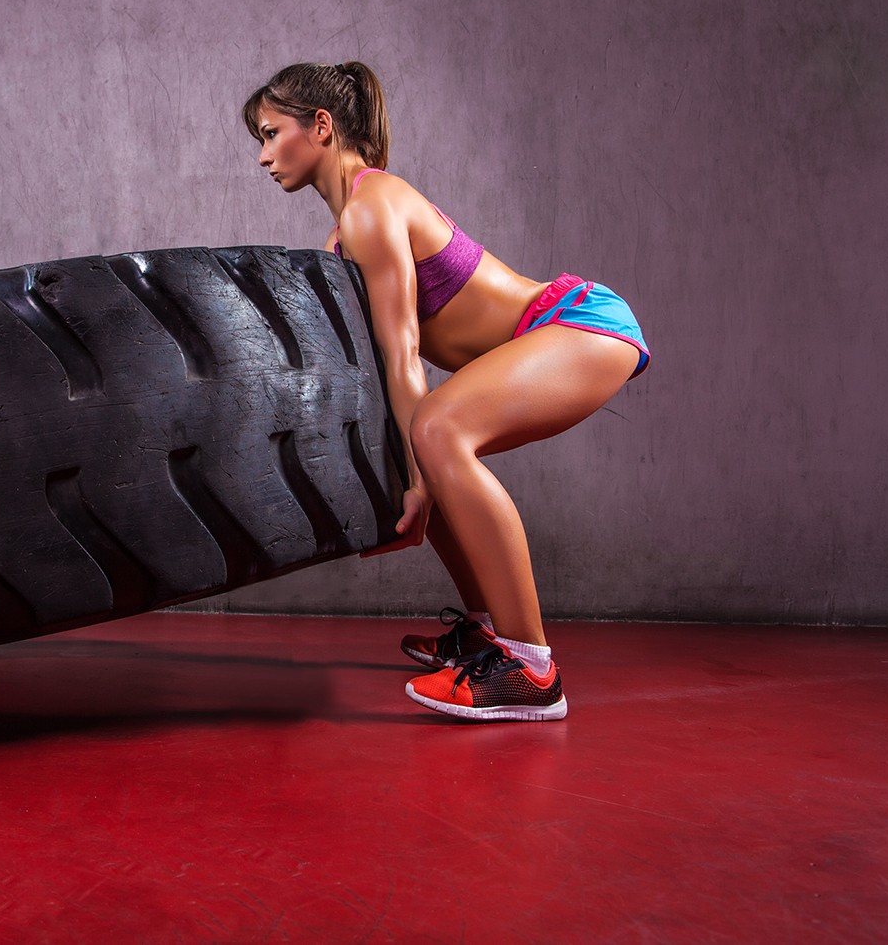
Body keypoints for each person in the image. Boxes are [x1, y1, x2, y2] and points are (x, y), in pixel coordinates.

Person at [243, 61, 650, 722]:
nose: (262, 156)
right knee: (421, 447)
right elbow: (379, 371)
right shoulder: (346, 230)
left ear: (320, 126)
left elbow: (404, 353)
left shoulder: (372, 206)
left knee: (433, 431)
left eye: (270, 134)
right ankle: (485, 633)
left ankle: (531, 671)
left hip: (577, 323)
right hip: (559, 333)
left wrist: (417, 476)